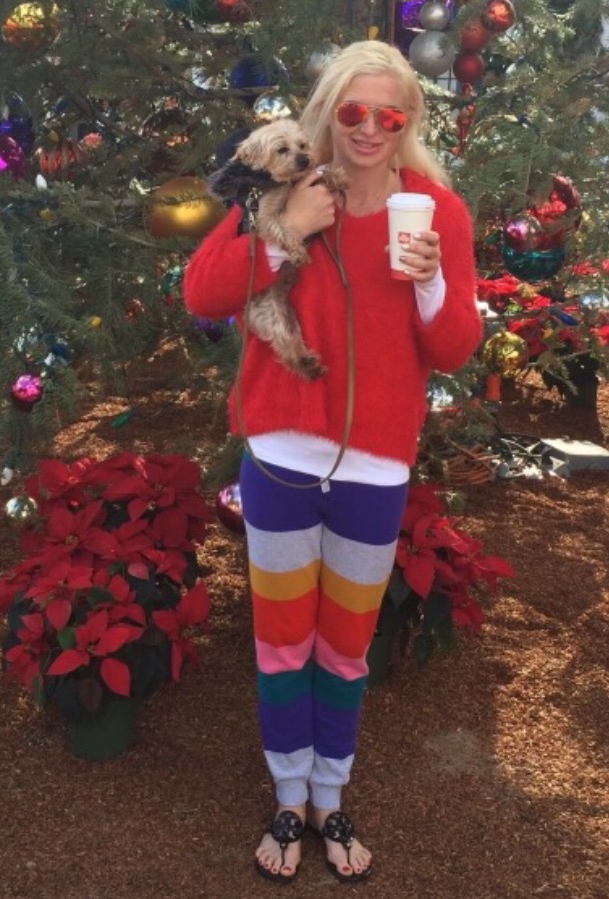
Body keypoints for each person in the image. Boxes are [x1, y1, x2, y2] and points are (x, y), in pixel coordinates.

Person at [183, 40, 482, 885]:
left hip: (373, 472)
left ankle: (329, 795)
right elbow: (202, 292)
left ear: (408, 120)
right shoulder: (284, 190)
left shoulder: (436, 211)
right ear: (327, 113)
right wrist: (286, 238)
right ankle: (288, 796)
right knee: (282, 644)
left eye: (389, 114)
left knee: (345, 648)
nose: (369, 128)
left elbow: (454, 348)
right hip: (281, 457)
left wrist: (429, 283)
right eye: (353, 110)